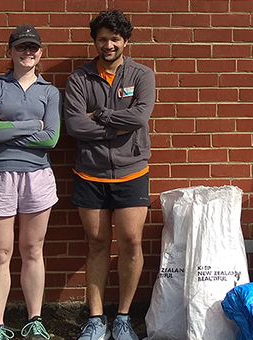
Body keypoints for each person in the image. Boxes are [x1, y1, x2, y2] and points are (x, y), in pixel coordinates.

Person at [63, 9, 155, 340]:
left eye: (115, 38)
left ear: (125, 41)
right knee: (98, 242)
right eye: (102, 39)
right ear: (95, 42)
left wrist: (100, 115)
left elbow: (140, 117)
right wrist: (116, 127)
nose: (108, 45)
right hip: (90, 173)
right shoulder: (79, 79)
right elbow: (74, 124)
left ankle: (124, 317)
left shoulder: (142, 75)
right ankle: (96, 319)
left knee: (131, 241)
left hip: (132, 172)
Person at [0, 23, 60, 340]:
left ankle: (34, 320)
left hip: (38, 177)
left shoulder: (49, 92)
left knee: (32, 250)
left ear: (40, 53)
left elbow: (50, 137)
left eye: (33, 47)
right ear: (9, 51)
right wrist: (31, 124)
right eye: (21, 47)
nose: (28, 52)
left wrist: (6, 130)